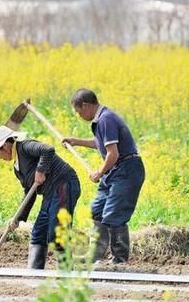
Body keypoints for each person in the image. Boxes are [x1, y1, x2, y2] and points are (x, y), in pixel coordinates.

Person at [62, 88, 145, 264]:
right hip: (115, 171)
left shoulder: (106, 119)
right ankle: (95, 255)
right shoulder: (102, 120)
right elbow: (100, 143)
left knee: (114, 215)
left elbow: (112, 154)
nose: (79, 115)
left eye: (78, 111)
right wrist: (76, 141)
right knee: (97, 211)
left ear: (86, 106)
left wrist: (99, 172)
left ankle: (119, 259)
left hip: (126, 170)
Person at [0, 125, 81, 269]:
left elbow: (47, 150)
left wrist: (40, 171)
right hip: (50, 193)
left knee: (57, 233)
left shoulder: (25, 147)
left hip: (64, 185)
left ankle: (66, 273)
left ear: (5, 146)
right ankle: (34, 273)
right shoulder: (17, 169)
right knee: (38, 234)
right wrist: (17, 218)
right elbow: (29, 193)